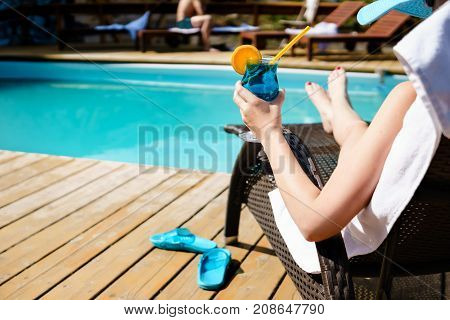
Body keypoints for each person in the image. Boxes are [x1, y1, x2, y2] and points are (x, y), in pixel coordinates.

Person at [232, 0, 449, 243]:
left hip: (379, 239)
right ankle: (336, 109)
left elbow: (314, 223)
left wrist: (268, 131)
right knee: (361, 132)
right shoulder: (435, 103)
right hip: (437, 239)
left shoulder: (411, 97)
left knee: (358, 133)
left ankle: (336, 109)